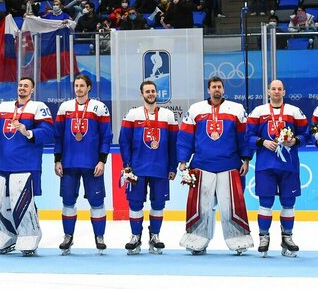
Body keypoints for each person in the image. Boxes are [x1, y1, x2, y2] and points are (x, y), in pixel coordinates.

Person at [177, 76, 253, 255]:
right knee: (202, 207)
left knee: (231, 206)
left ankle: (239, 241)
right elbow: (185, 137)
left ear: (223, 89)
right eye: (213, 87)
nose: (216, 89)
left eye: (219, 87)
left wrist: (246, 159)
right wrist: (182, 160)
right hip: (202, 166)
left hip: (230, 166)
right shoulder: (195, 109)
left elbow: (244, 136)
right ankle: (197, 241)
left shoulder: (237, 109)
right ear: (208, 90)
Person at [0, 77, 54, 256]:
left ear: (32, 90)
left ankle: (29, 234)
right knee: (0, 202)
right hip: (3, 165)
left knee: (23, 203)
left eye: (26, 86)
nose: (22, 88)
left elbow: (48, 132)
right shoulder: (2, 108)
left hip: (27, 164)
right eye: (20, 85)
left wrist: (28, 131)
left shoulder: (38, 107)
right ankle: (8, 232)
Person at [246, 80, 308, 257]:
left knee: (288, 203)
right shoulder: (258, 111)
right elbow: (248, 136)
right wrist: (262, 142)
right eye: (273, 89)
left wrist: (295, 140)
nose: (276, 92)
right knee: (265, 203)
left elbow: (307, 134)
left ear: (284, 92)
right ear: (268, 91)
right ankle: (264, 238)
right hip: (266, 166)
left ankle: (287, 238)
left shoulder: (294, 111)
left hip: (289, 166)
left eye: (279, 89)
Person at [54, 74, 112, 254]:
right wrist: (57, 160)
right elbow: (58, 136)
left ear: (89, 88)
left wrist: (102, 161)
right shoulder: (64, 107)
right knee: (68, 201)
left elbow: (106, 136)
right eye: (76, 85)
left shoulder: (99, 108)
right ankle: (68, 237)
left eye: (82, 86)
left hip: (92, 164)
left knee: (97, 201)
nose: (78, 89)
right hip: (69, 163)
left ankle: (99, 237)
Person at [119, 80, 178, 254]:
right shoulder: (133, 114)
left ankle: (155, 236)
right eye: (147, 91)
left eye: (153, 91)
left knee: (158, 203)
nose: (151, 93)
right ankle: (135, 236)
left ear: (157, 93)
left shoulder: (168, 115)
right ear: (141, 94)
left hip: (160, 168)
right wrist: (127, 166)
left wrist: (172, 167)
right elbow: (124, 142)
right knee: (135, 203)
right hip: (137, 169)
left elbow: (174, 144)